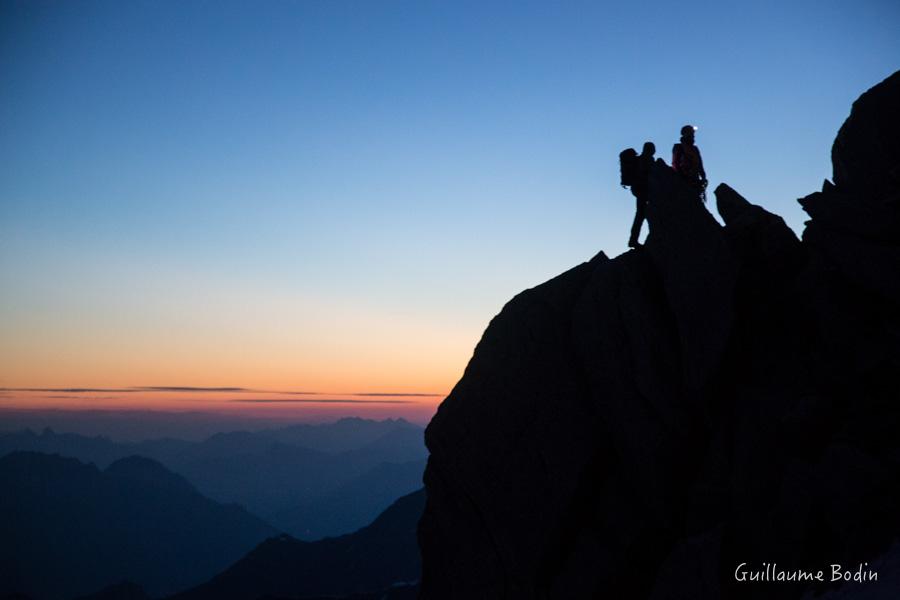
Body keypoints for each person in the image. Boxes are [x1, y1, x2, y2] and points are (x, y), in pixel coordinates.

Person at [623, 141, 655, 248]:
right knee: (642, 214)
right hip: (643, 190)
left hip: (639, 190)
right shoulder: (646, 160)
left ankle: (633, 240)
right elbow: (646, 174)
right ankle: (634, 240)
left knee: (640, 214)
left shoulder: (642, 159)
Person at [672, 125, 707, 201]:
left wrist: (703, 176)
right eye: (690, 133)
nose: (693, 135)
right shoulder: (678, 147)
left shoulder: (695, 149)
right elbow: (675, 163)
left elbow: (700, 164)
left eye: (692, 133)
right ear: (685, 134)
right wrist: (681, 177)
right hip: (684, 180)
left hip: (695, 180)